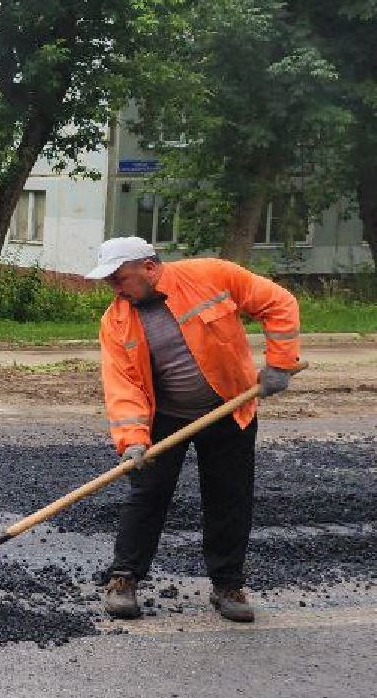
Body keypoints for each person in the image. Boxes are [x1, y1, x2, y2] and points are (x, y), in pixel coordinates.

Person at [84, 237, 302, 623]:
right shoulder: (115, 320)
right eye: (110, 282)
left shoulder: (212, 276)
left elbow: (279, 303)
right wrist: (134, 441)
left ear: (150, 268)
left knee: (229, 497)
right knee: (147, 494)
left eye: (120, 278)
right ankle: (124, 578)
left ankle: (227, 585)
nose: (115, 289)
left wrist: (280, 364)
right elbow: (124, 386)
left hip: (228, 407)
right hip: (165, 417)